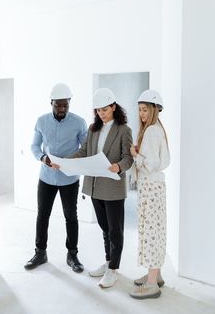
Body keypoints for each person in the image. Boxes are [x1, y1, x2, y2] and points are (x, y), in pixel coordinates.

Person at [53, 88, 133, 288]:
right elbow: (84, 152)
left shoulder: (124, 130)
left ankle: (113, 269)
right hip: (96, 186)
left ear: (114, 107)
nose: (101, 113)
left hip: (113, 186)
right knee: (105, 228)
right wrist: (63, 162)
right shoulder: (93, 128)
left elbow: (128, 158)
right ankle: (108, 262)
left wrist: (119, 166)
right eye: (98, 110)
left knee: (115, 230)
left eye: (105, 109)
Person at [24, 83, 87, 273]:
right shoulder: (41, 121)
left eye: (65, 105)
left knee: (71, 217)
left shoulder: (79, 122)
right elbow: (34, 146)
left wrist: (70, 161)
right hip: (47, 178)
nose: (62, 109)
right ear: (50, 102)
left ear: (69, 102)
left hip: (70, 179)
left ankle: (72, 255)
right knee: (42, 215)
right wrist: (43, 158)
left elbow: (84, 149)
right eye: (57, 105)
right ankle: (40, 252)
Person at [129, 89, 170, 299]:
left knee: (152, 232)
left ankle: (152, 283)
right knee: (155, 230)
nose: (142, 114)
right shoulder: (155, 129)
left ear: (154, 110)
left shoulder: (152, 131)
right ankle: (156, 275)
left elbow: (151, 164)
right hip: (154, 188)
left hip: (151, 188)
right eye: (139, 110)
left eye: (145, 110)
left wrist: (136, 155)